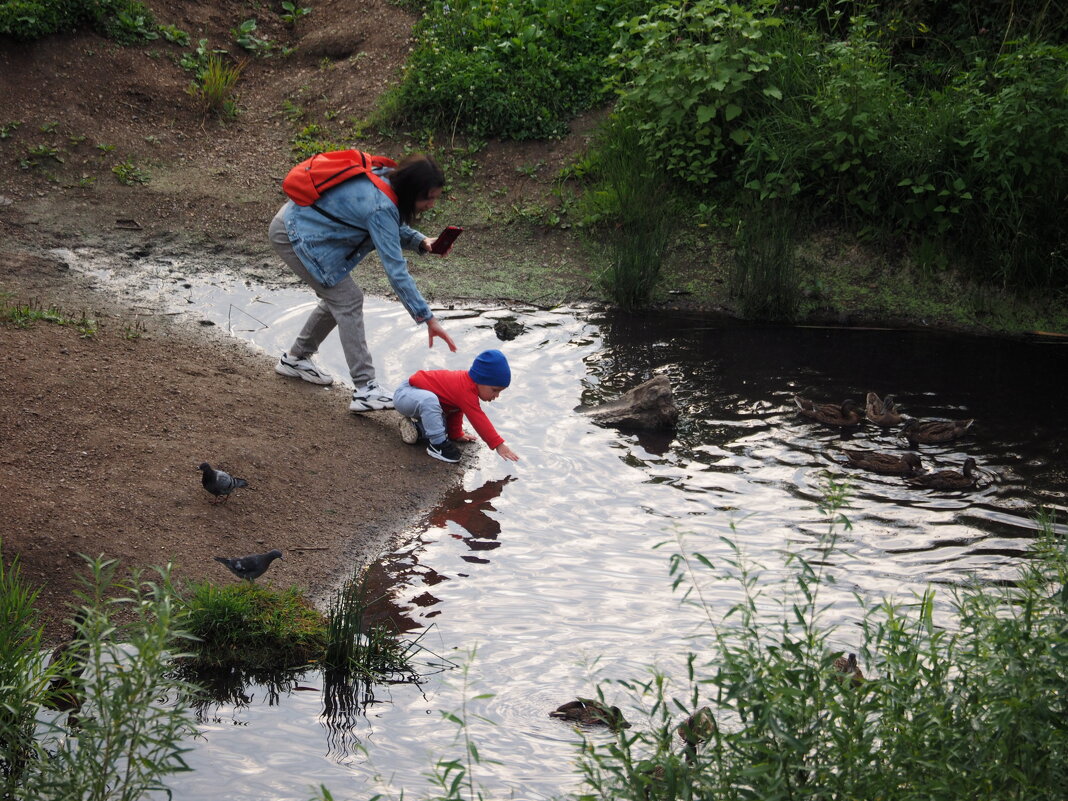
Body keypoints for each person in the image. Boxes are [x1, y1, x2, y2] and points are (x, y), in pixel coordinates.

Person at [269, 153, 457, 412]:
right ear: (413, 191)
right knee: (347, 300)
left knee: (340, 298)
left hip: (299, 223)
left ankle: (296, 359)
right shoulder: (382, 206)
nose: (432, 204)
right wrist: (428, 318)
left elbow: (386, 224)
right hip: (293, 234)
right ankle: (365, 389)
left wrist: (421, 241)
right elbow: (396, 271)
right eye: (429, 197)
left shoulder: (387, 183)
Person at [393, 349, 520, 464]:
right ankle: (437, 446)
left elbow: (456, 409)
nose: (496, 395)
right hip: (407, 393)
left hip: (418, 400)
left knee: (440, 425)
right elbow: (478, 419)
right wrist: (498, 444)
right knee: (429, 401)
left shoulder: (468, 388)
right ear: (481, 380)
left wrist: (456, 434)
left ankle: (416, 429)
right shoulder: (465, 388)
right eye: (494, 390)